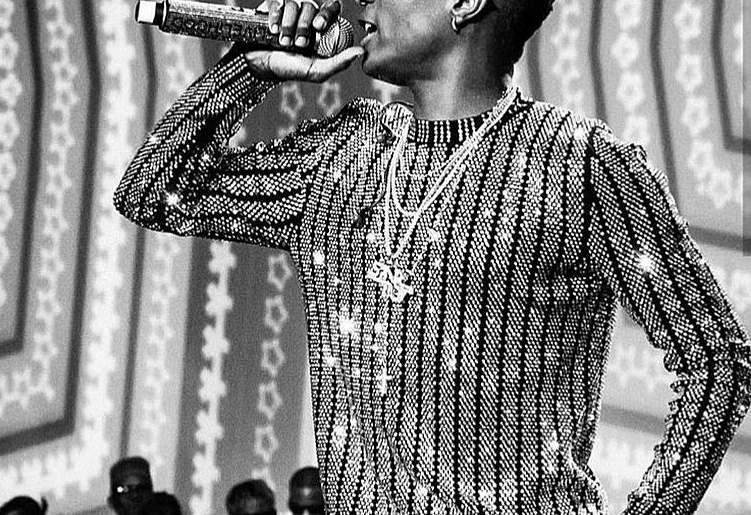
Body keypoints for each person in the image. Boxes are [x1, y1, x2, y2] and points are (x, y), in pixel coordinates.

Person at [114, 0, 751, 513]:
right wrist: (249, 69)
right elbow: (151, 191)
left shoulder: (577, 164)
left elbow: (718, 360)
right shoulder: (341, 153)